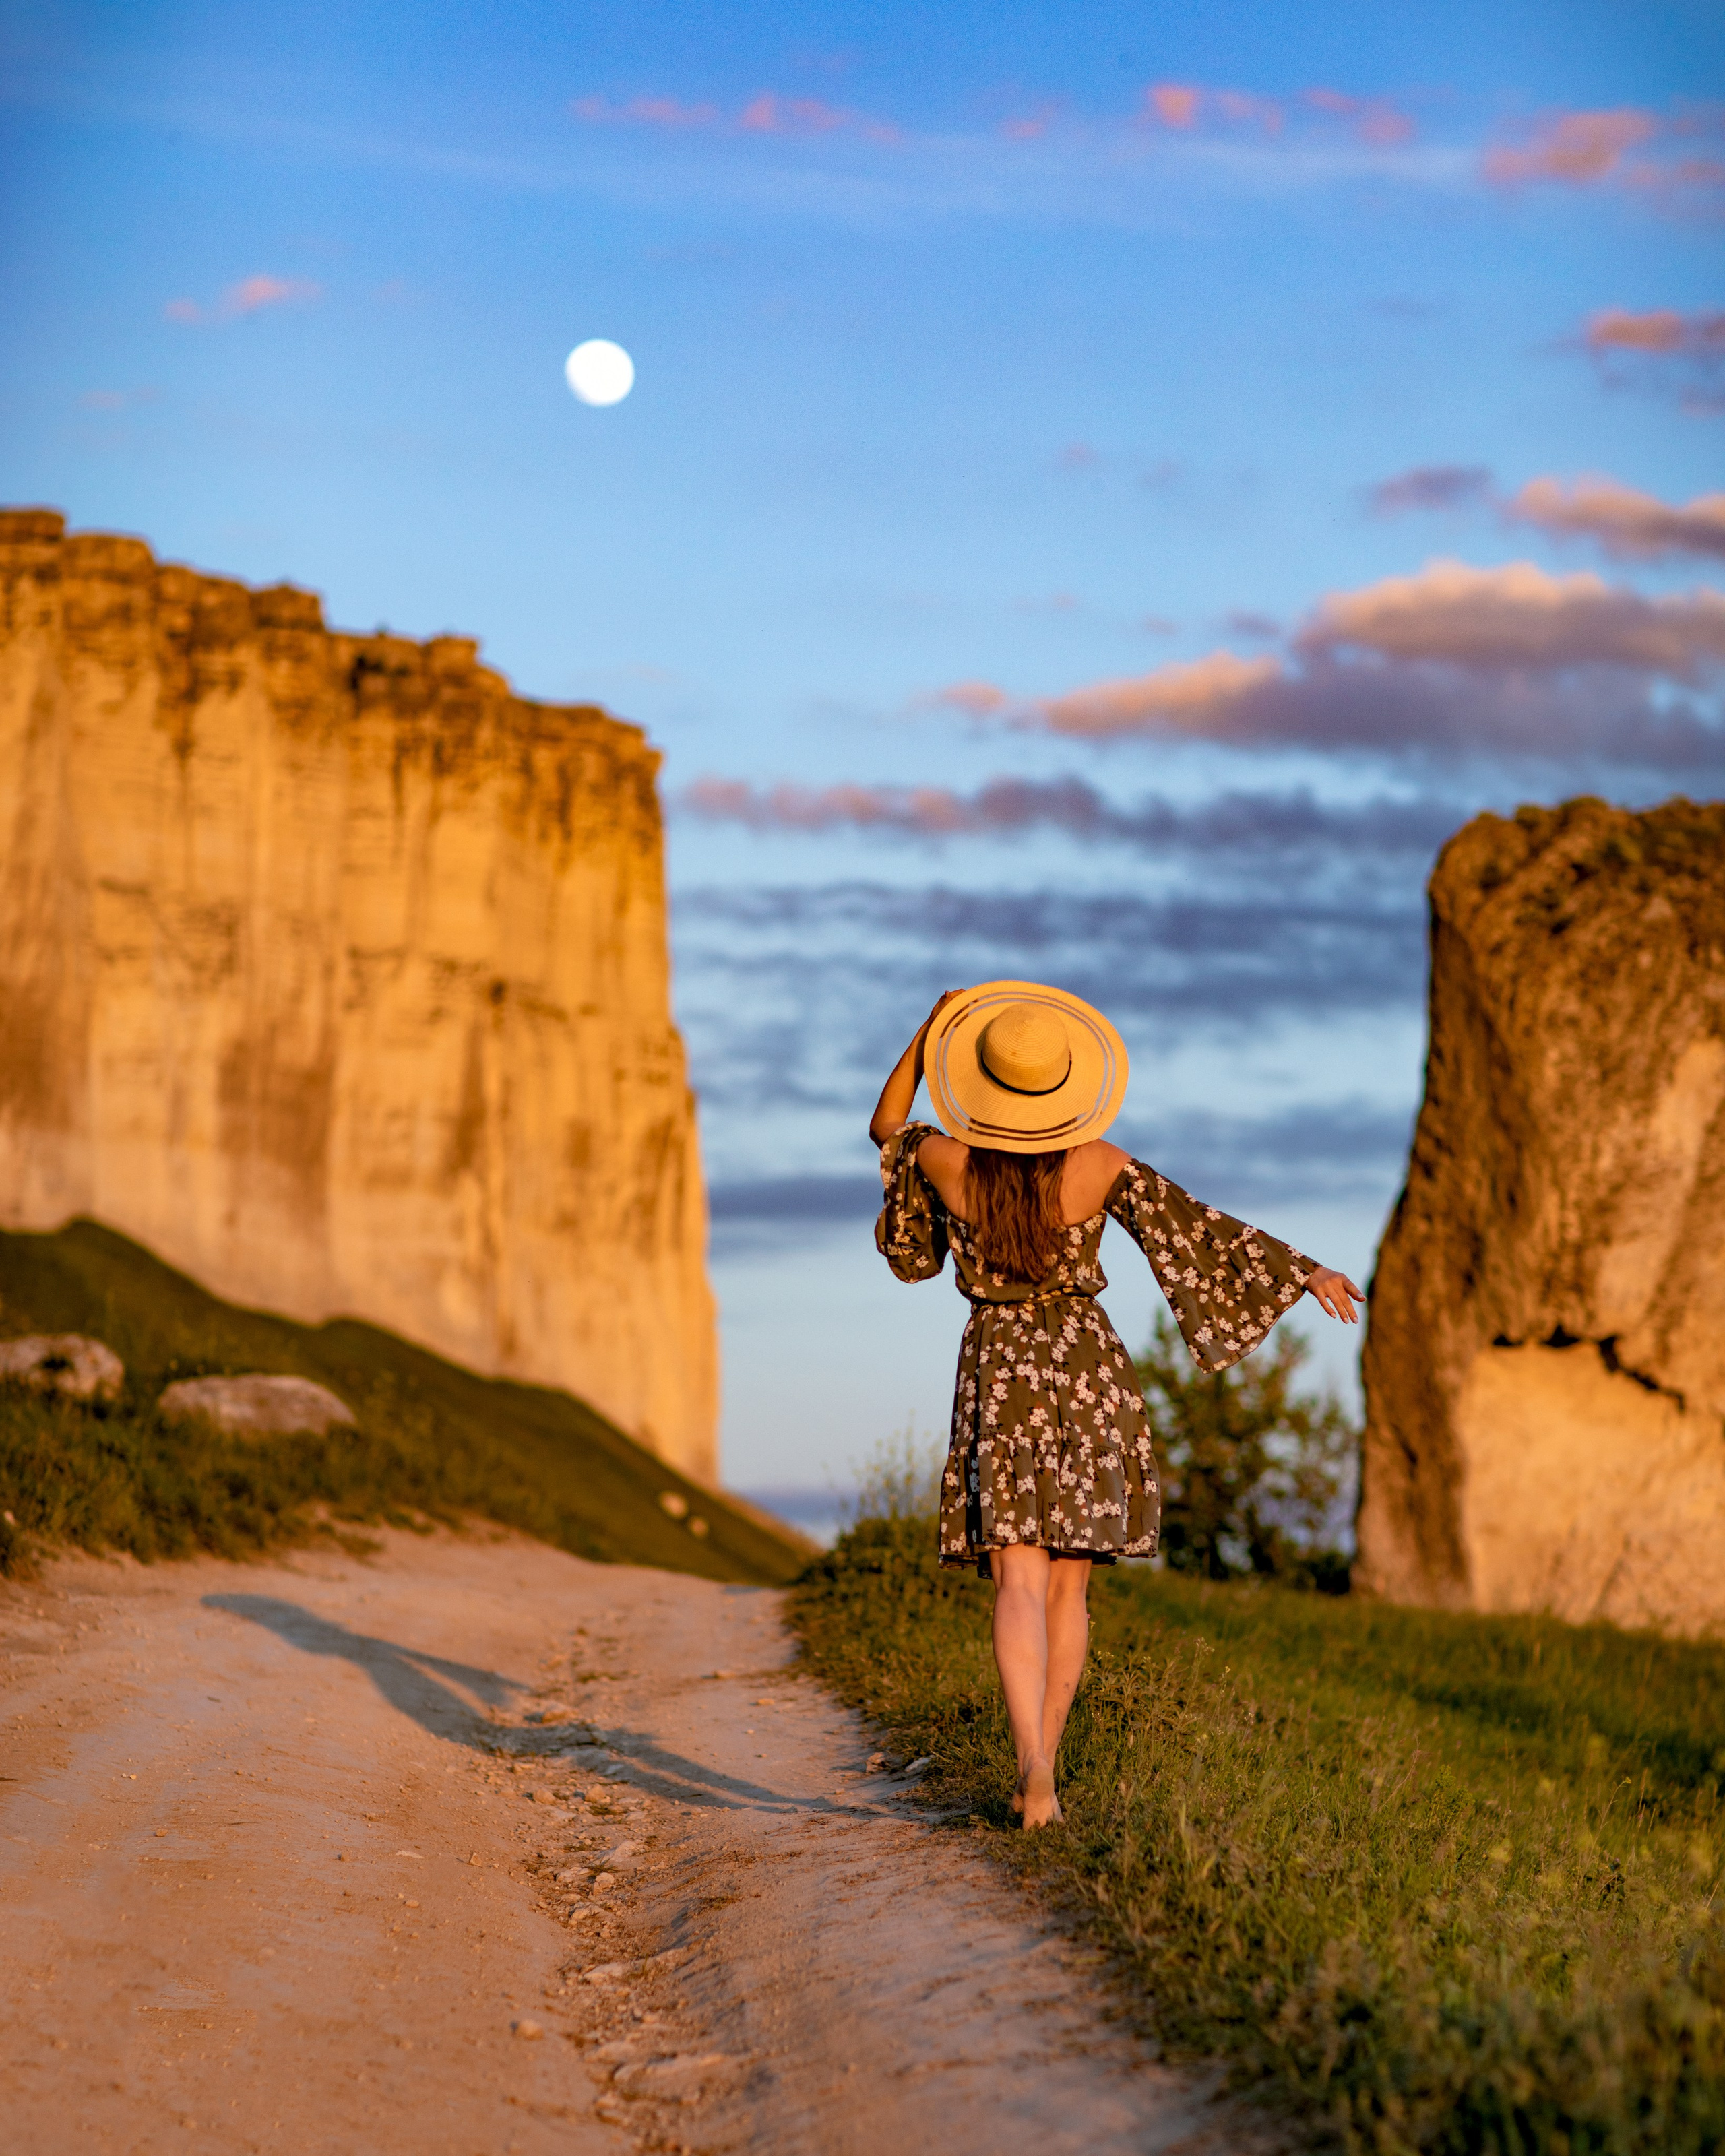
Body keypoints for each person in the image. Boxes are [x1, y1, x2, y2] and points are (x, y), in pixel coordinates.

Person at [869, 981, 1364, 1829]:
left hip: (1001, 1368)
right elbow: (1197, 1229)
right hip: (1088, 1370)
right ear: (1064, 1086)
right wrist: (1303, 1270)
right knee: (1069, 1588)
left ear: (982, 1085)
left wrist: (928, 1031)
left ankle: (1028, 1761)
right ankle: (1046, 1776)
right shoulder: (1099, 1163)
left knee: (1015, 1578)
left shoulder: (945, 1161)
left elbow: (885, 1125)